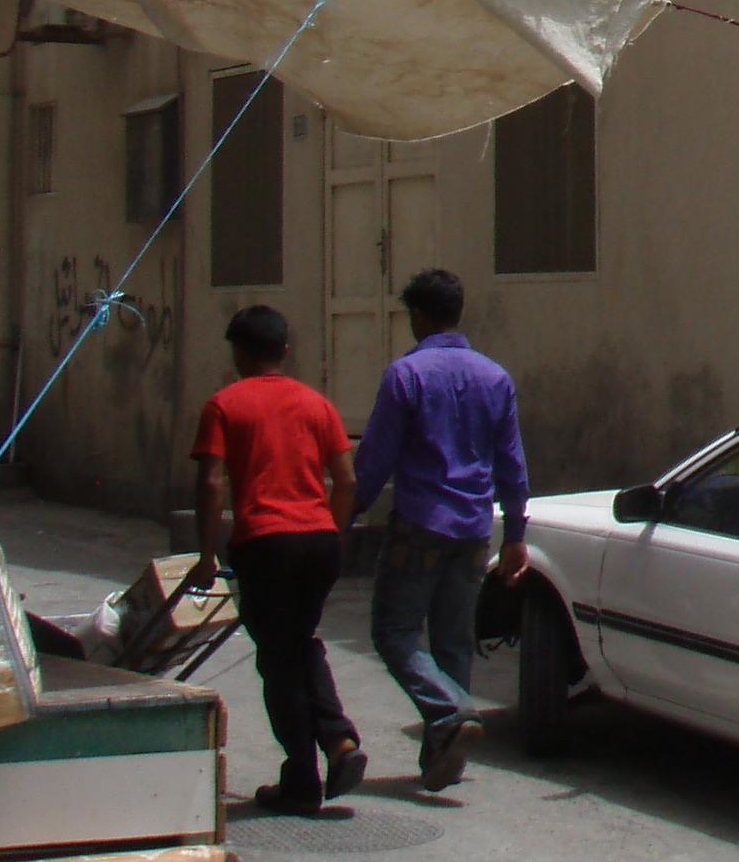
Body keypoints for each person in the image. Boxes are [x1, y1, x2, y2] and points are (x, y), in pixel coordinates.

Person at [354, 268, 530, 791]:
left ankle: (453, 712)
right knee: (453, 639)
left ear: (419, 316)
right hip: (475, 527)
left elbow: (374, 461)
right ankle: (441, 758)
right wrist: (516, 532)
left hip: (420, 524)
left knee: (395, 632)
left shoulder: (406, 375)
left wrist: (343, 516)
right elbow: (512, 463)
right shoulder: (495, 378)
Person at [185, 304, 364, 814]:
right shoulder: (316, 404)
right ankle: (336, 740)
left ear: (238, 352)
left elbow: (211, 480)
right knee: (298, 646)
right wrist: (334, 530)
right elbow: (347, 480)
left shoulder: (223, 405)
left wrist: (204, 554)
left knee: (278, 661)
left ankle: (304, 779)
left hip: (265, 545)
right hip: (318, 541)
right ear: (285, 351)